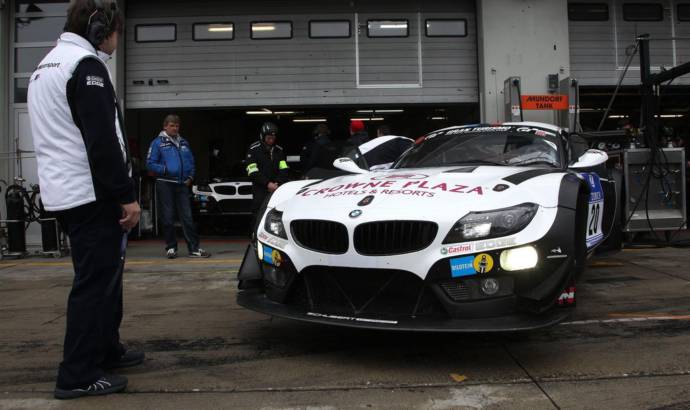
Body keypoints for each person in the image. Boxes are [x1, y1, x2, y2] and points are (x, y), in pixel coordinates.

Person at [27, 0, 143, 399]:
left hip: (65, 192)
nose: (116, 38)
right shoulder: (85, 67)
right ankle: (76, 374)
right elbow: (102, 142)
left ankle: (106, 349)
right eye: (114, 30)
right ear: (98, 29)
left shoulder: (45, 66)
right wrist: (126, 196)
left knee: (104, 279)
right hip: (91, 195)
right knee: (94, 284)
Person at [147, 115, 211, 259]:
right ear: (165, 126)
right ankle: (171, 248)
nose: (175, 128)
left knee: (187, 217)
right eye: (171, 125)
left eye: (177, 126)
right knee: (168, 217)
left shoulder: (184, 143)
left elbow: (191, 163)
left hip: (182, 184)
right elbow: (150, 163)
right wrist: (166, 170)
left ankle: (194, 249)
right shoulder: (157, 143)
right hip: (165, 183)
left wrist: (190, 177)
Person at [246, 122, 290, 218]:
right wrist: (267, 183)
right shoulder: (253, 150)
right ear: (262, 136)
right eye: (268, 138)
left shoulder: (279, 150)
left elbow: (284, 169)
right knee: (258, 215)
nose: (271, 140)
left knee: (276, 215)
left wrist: (277, 183)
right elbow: (252, 172)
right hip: (260, 188)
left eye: (273, 138)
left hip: (276, 188)